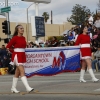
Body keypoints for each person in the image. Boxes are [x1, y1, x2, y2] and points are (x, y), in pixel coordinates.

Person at [6, 25, 34, 93]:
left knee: (17, 73)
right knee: (22, 71)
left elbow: (23, 47)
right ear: (17, 30)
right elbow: (8, 47)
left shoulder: (24, 38)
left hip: (22, 55)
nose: (22, 29)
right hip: (17, 56)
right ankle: (27, 87)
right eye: (21, 28)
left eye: (23, 28)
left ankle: (13, 88)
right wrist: (14, 52)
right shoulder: (15, 38)